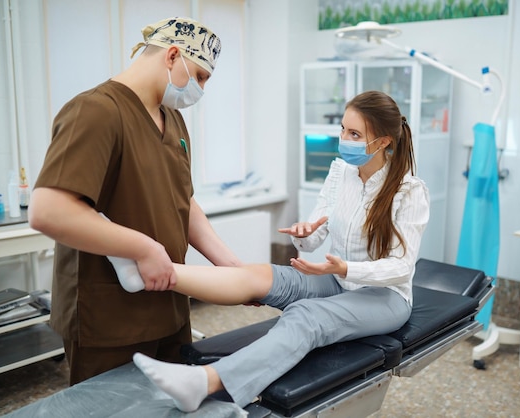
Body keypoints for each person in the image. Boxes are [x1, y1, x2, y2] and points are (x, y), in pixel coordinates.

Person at [105, 90, 430, 412]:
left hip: (385, 297)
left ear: (384, 141)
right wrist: (305, 233)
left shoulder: (409, 190)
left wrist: (344, 269)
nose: (344, 138)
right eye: (343, 129)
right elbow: (315, 239)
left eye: (355, 134)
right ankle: (147, 274)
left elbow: (402, 266)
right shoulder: (340, 173)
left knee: (306, 316)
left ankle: (206, 382)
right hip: (338, 280)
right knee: (260, 275)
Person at [28, 17, 242, 385]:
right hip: (110, 315)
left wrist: (234, 269)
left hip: (169, 302)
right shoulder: (96, 111)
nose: (201, 89)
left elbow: (183, 202)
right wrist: (143, 248)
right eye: (201, 77)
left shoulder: (171, 119)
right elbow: (49, 211)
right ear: (172, 55)